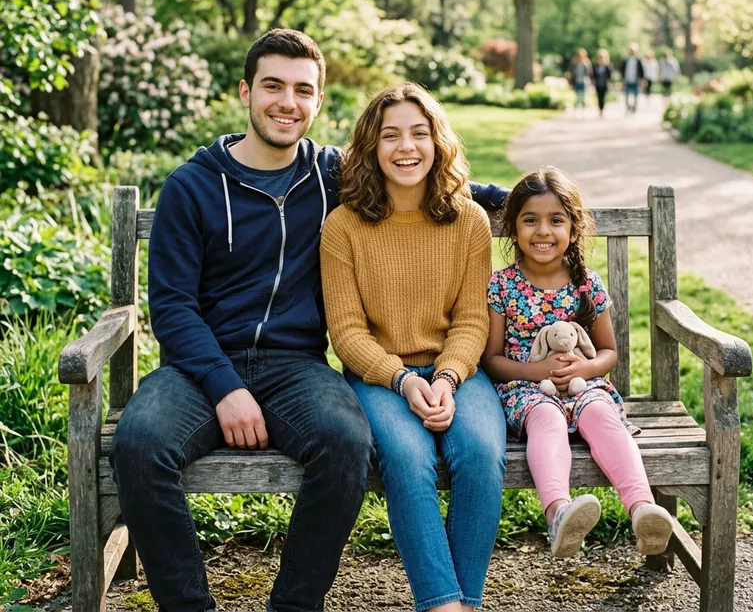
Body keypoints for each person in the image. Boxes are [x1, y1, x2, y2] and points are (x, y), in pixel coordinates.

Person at [110, 30, 507, 612]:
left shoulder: (330, 175)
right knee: (139, 446)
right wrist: (226, 390)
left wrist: (506, 197)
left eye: (303, 90)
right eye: (272, 86)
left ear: (318, 101)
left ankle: (294, 606)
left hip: (295, 366)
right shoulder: (190, 187)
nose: (286, 103)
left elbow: (414, 173)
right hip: (200, 370)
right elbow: (171, 307)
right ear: (246, 91)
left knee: (346, 441)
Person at [321, 84, 507, 612]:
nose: (407, 147)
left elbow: (472, 320)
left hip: (459, 372)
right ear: (371, 148)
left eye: (419, 133)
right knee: (405, 457)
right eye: (391, 135)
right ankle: (444, 605)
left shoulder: (468, 220)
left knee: (480, 453)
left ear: (437, 142)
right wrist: (403, 380)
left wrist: (446, 378)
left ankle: (462, 602)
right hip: (378, 376)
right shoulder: (344, 227)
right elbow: (348, 334)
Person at [481, 167, 673, 559]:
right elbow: (492, 361)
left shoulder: (586, 284)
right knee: (547, 419)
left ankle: (642, 509)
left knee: (602, 415)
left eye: (556, 220)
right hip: (526, 393)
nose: (543, 231)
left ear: (573, 228)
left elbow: (608, 353)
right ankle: (559, 514)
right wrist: (538, 372)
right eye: (530, 220)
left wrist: (584, 370)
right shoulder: (501, 285)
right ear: (512, 228)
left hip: (584, 387)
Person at [620, 44, 645, 114]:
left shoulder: (638, 59)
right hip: (627, 79)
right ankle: (628, 107)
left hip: (636, 79)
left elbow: (641, 70)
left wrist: (643, 79)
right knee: (626, 94)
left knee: (636, 95)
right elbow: (622, 68)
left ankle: (634, 107)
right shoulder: (626, 59)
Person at [592, 49, 613, 118]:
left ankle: (602, 109)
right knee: (599, 97)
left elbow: (609, 75)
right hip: (598, 84)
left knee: (603, 97)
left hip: (604, 84)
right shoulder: (596, 66)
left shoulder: (607, 66)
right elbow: (593, 75)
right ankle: (600, 110)